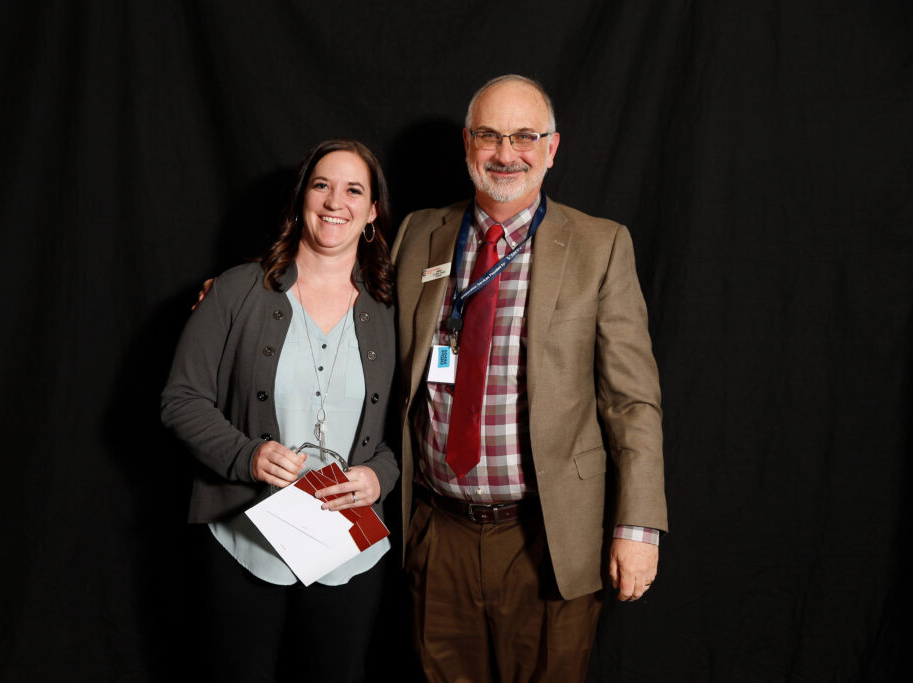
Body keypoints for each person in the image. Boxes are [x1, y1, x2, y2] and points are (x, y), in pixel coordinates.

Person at [390, 74, 668, 682]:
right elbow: (344, 298)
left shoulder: (600, 245)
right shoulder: (417, 235)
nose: (505, 153)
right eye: (489, 135)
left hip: (546, 535)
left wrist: (638, 527)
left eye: (524, 136)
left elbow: (632, 403)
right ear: (468, 145)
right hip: (438, 533)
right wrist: (245, 294)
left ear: (552, 147)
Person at [161, 138, 398, 683]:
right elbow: (180, 398)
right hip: (245, 538)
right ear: (301, 200)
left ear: (371, 213)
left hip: (349, 546)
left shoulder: (392, 306)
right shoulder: (237, 290)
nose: (335, 201)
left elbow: (411, 424)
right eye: (322, 185)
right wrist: (246, 454)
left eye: (353, 190)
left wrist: (378, 477)